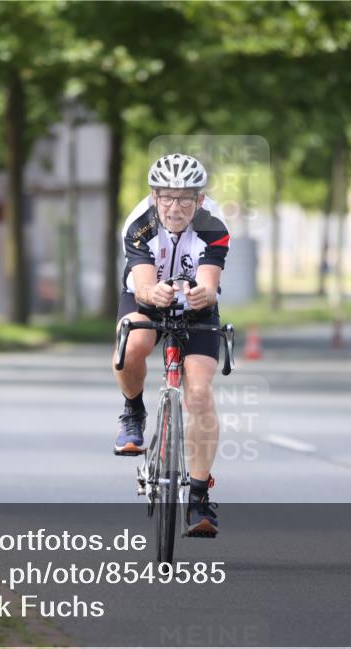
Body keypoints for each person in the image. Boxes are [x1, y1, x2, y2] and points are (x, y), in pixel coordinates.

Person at [112, 153, 230, 537]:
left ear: (200, 199)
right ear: (154, 196)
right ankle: (133, 413)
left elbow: (210, 283)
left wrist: (204, 295)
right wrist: (154, 292)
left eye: (184, 198)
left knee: (198, 393)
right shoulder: (138, 224)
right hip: (148, 295)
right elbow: (143, 283)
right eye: (167, 198)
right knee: (134, 342)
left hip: (195, 306)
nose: (175, 207)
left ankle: (198, 497)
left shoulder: (214, 225)